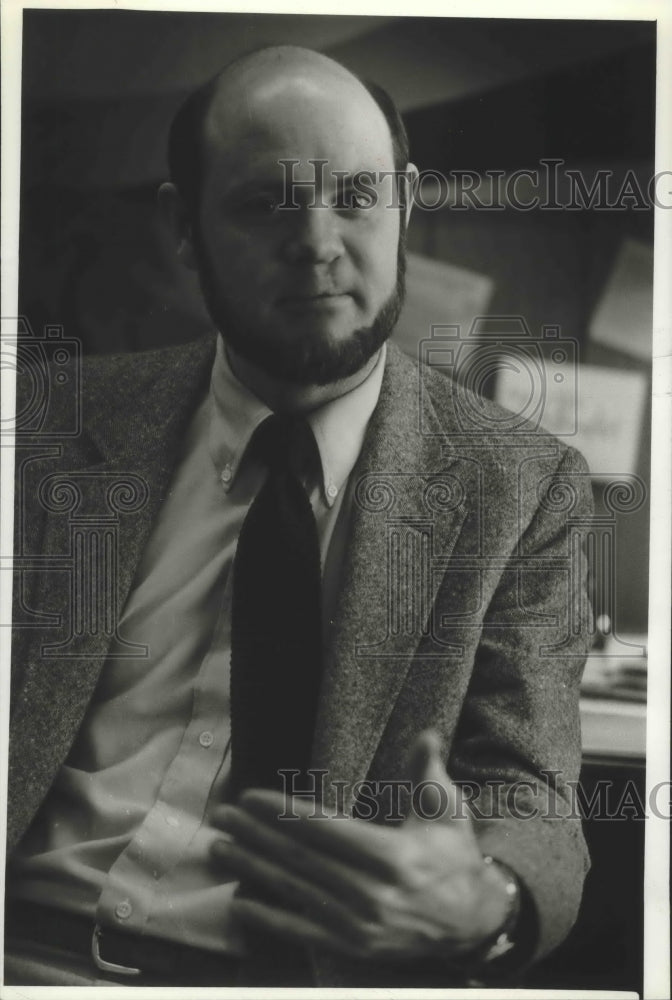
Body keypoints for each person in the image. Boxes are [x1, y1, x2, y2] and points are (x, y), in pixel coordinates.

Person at [6, 45, 594, 988]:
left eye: (356, 196)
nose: (318, 241)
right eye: (265, 202)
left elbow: (531, 795)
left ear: (404, 200)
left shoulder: (523, 485)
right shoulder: (44, 430)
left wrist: (483, 898)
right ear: (184, 226)